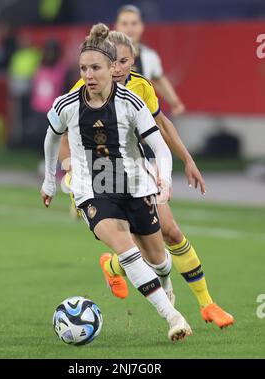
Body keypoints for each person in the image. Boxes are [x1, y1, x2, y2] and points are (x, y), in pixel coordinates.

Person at [60, 30, 234, 329]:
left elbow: (161, 125)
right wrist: (70, 173)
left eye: (123, 62)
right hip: (101, 180)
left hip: (138, 171)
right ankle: (166, 305)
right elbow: (64, 132)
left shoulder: (141, 87)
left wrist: (187, 160)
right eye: (111, 62)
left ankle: (206, 304)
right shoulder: (85, 87)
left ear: (132, 62)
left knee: (171, 234)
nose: (116, 68)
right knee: (137, 247)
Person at [41, 23, 191, 342]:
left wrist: (163, 177)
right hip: (91, 189)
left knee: (159, 259)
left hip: (134, 183)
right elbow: (51, 139)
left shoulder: (131, 103)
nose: (89, 75)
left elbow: (159, 147)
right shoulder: (67, 104)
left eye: (95, 68)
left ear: (112, 67)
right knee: (127, 251)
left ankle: (165, 285)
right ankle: (173, 317)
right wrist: (49, 182)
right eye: (83, 68)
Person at [115, 4, 185, 116]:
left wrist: (175, 103)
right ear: (117, 26)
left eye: (134, 23)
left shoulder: (149, 56)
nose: (129, 28)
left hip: (139, 116)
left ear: (141, 27)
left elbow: (158, 79)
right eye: (124, 24)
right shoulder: (106, 54)